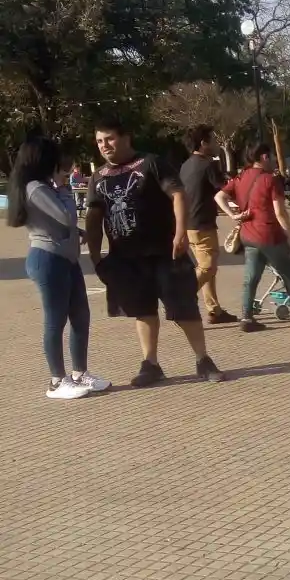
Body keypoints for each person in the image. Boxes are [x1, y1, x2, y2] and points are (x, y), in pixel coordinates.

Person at [85, 117, 225, 386]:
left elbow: (178, 195)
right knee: (143, 310)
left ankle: (203, 359)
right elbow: (94, 216)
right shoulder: (99, 176)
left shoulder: (150, 163)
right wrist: (95, 255)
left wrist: (181, 232)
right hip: (125, 258)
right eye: (100, 141)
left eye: (110, 139)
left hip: (164, 252)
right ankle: (150, 363)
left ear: (126, 137)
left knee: (184, 308)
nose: (104, 146)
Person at [7, 137, 111, 399]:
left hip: (66, 259)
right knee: (55, 321)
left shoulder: (44, 186)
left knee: (80, 316)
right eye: (57, 160)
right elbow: (64, 214)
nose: (61, 166)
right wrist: (64, 188)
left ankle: (79, 373)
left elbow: (57, 221)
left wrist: (75, 232)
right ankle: (56, 381)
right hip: (48, 260)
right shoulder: (35, 188)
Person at [216, 142, 290, 332]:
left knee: (250, 278)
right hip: (269, 235)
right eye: (272, 157)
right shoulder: (270, 180)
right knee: (289, 275)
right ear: (264, 157)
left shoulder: (240, 177)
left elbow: (219, 197)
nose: (275, 160)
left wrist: (233, 215)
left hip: (248, 234)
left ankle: (246, 317)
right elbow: (280, 212)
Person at [179, 124, 237, 325]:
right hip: (202, 224)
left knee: (207, 268)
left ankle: (214, 310)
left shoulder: (186, 165)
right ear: (203, 143)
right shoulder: (208, 165)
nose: (216, 144)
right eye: (213, 140)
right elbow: (224, 190)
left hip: (188, 224)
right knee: (208, 267)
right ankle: (181, 299)